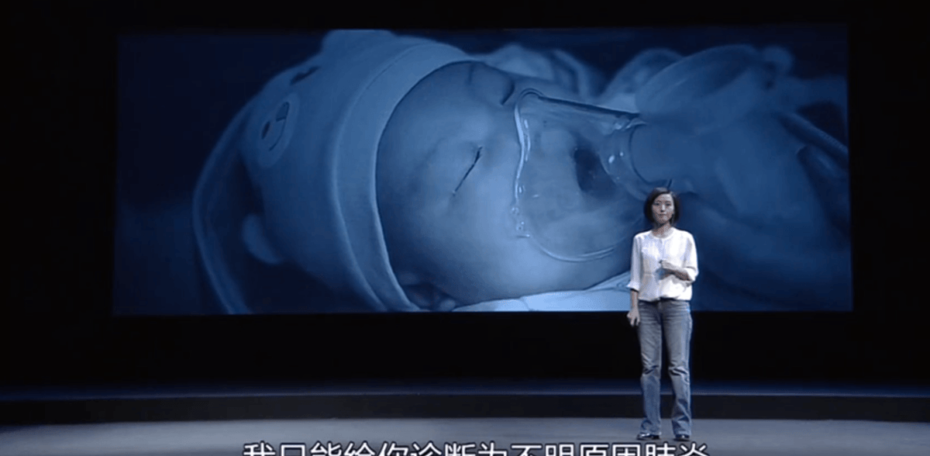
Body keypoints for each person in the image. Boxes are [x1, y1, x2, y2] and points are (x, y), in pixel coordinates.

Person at [176, 29, 850, 314]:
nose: (536, 126)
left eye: (505, 91)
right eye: (468, 166)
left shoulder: (644, 110)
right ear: (432, 293)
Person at [627, 187, 698, 442]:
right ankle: (651, 426)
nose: (663, 209)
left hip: (676, 306)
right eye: (658, 204)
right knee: (650, 368)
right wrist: (634, 307)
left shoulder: (685, 238)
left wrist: (675, 269)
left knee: (678, 368)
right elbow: (635, 278)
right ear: (650, 208)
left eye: (667, 204)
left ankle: (682, 427)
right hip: (647, 306)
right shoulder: (640, 240)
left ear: (674, 209)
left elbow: (692, 273)